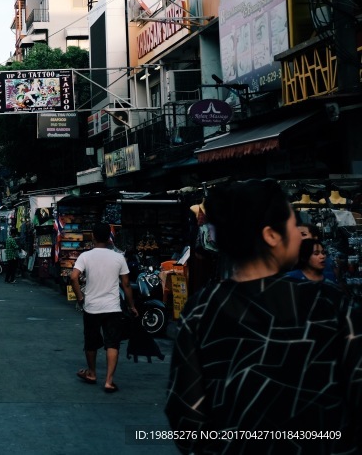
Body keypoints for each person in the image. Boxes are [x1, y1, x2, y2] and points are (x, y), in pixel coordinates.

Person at [166, 179, 362, 453]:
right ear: (271, 235)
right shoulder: (330, 304)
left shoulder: (201, 309)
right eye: (294, 226)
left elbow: (185, 413)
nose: (300, 235)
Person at [70, 223, 136, 394]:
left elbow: (73, 277)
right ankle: (109, 381)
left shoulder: (86, 256)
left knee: (91, 342)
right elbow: (126, 284)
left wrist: (80, 297)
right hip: (112, 307)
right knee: (112, 343)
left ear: (92, 236)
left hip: (91, 306)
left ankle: (91, 373)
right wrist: (132, 306)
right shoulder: (118, 257)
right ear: (109, 237)